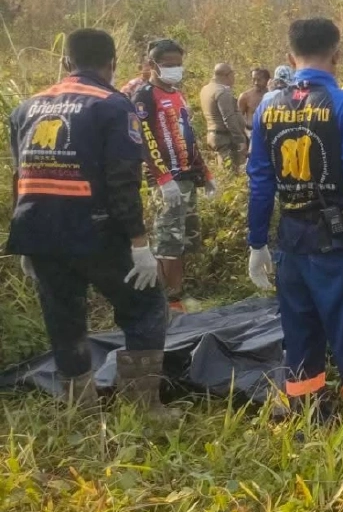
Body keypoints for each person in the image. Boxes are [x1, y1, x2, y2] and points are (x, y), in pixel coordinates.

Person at [7, 28, 171, 416]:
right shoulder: (113, 106)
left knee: (63, 316)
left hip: (40, 231)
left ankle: (78, 410)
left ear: (66, 62)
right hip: (97, 231)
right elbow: (121, 182)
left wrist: (25, 238)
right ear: (111, 64)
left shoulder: (26, 108)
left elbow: (21, 175)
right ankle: (142, 406)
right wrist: (140, 243)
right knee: (146, 305)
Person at [246, 18, 343, 424]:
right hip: (337, 242)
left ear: (289, 57)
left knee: (299, 327)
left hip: (290, 240)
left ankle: (304, 409)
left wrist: (257, 242)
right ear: (337, 54)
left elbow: (260, 182)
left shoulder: (267, 105)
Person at [132, 39, 215, 313]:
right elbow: (145, 139)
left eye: (178, 64)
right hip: (167, 180)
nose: (175, 69)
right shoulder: (145, 95)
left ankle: (178, 293)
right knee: (168, 239)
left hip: (187, 176)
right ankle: (165, 301)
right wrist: (163, 178)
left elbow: (188, 136)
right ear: (152, 64)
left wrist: (205, 171)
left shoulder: (177, 94)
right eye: (169, 65)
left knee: (183, 240)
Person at [199, 62, 247, 171]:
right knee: (231, 173)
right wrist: (240, 139)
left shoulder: (206, 89)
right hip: (225, 138)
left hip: (213, 135)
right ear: (227, 75)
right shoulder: (221, 92)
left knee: (223, 171)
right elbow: (229, 118)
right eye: (233, 75)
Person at [239, 68, 271, 140]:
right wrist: (245, 133)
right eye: (253, 79)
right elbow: (239, 119)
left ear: (267, 80)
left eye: (259, 80)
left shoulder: (274, 96)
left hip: (269, 133)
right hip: (251, 134)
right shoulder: (245, 96)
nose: (256, 82)